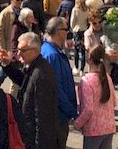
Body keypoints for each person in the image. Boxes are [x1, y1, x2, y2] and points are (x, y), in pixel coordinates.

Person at [0, 31, 58, 149]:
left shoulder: (41, 74)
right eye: (18, 50)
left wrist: (38, 145)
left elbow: (42, 117)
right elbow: (24, 81)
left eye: (23, 50)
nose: (19, 54)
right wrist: (7, 64)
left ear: (35, 51)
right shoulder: (33, 66)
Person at [40, 16, 78, 149]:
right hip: (57, 116)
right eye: (65, 29)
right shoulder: (52, 55)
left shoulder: (51, 50)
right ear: (57, 31)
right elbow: (56, 88)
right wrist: (72, 111)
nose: (67, 33)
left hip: (57, 114)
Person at [74, 45, 116, 149]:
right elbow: (114, 102)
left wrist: (77, 123)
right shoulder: (107, 78)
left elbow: (88, 109)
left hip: (93, 129)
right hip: (108, 126)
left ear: (89, 58)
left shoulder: (87, 80)